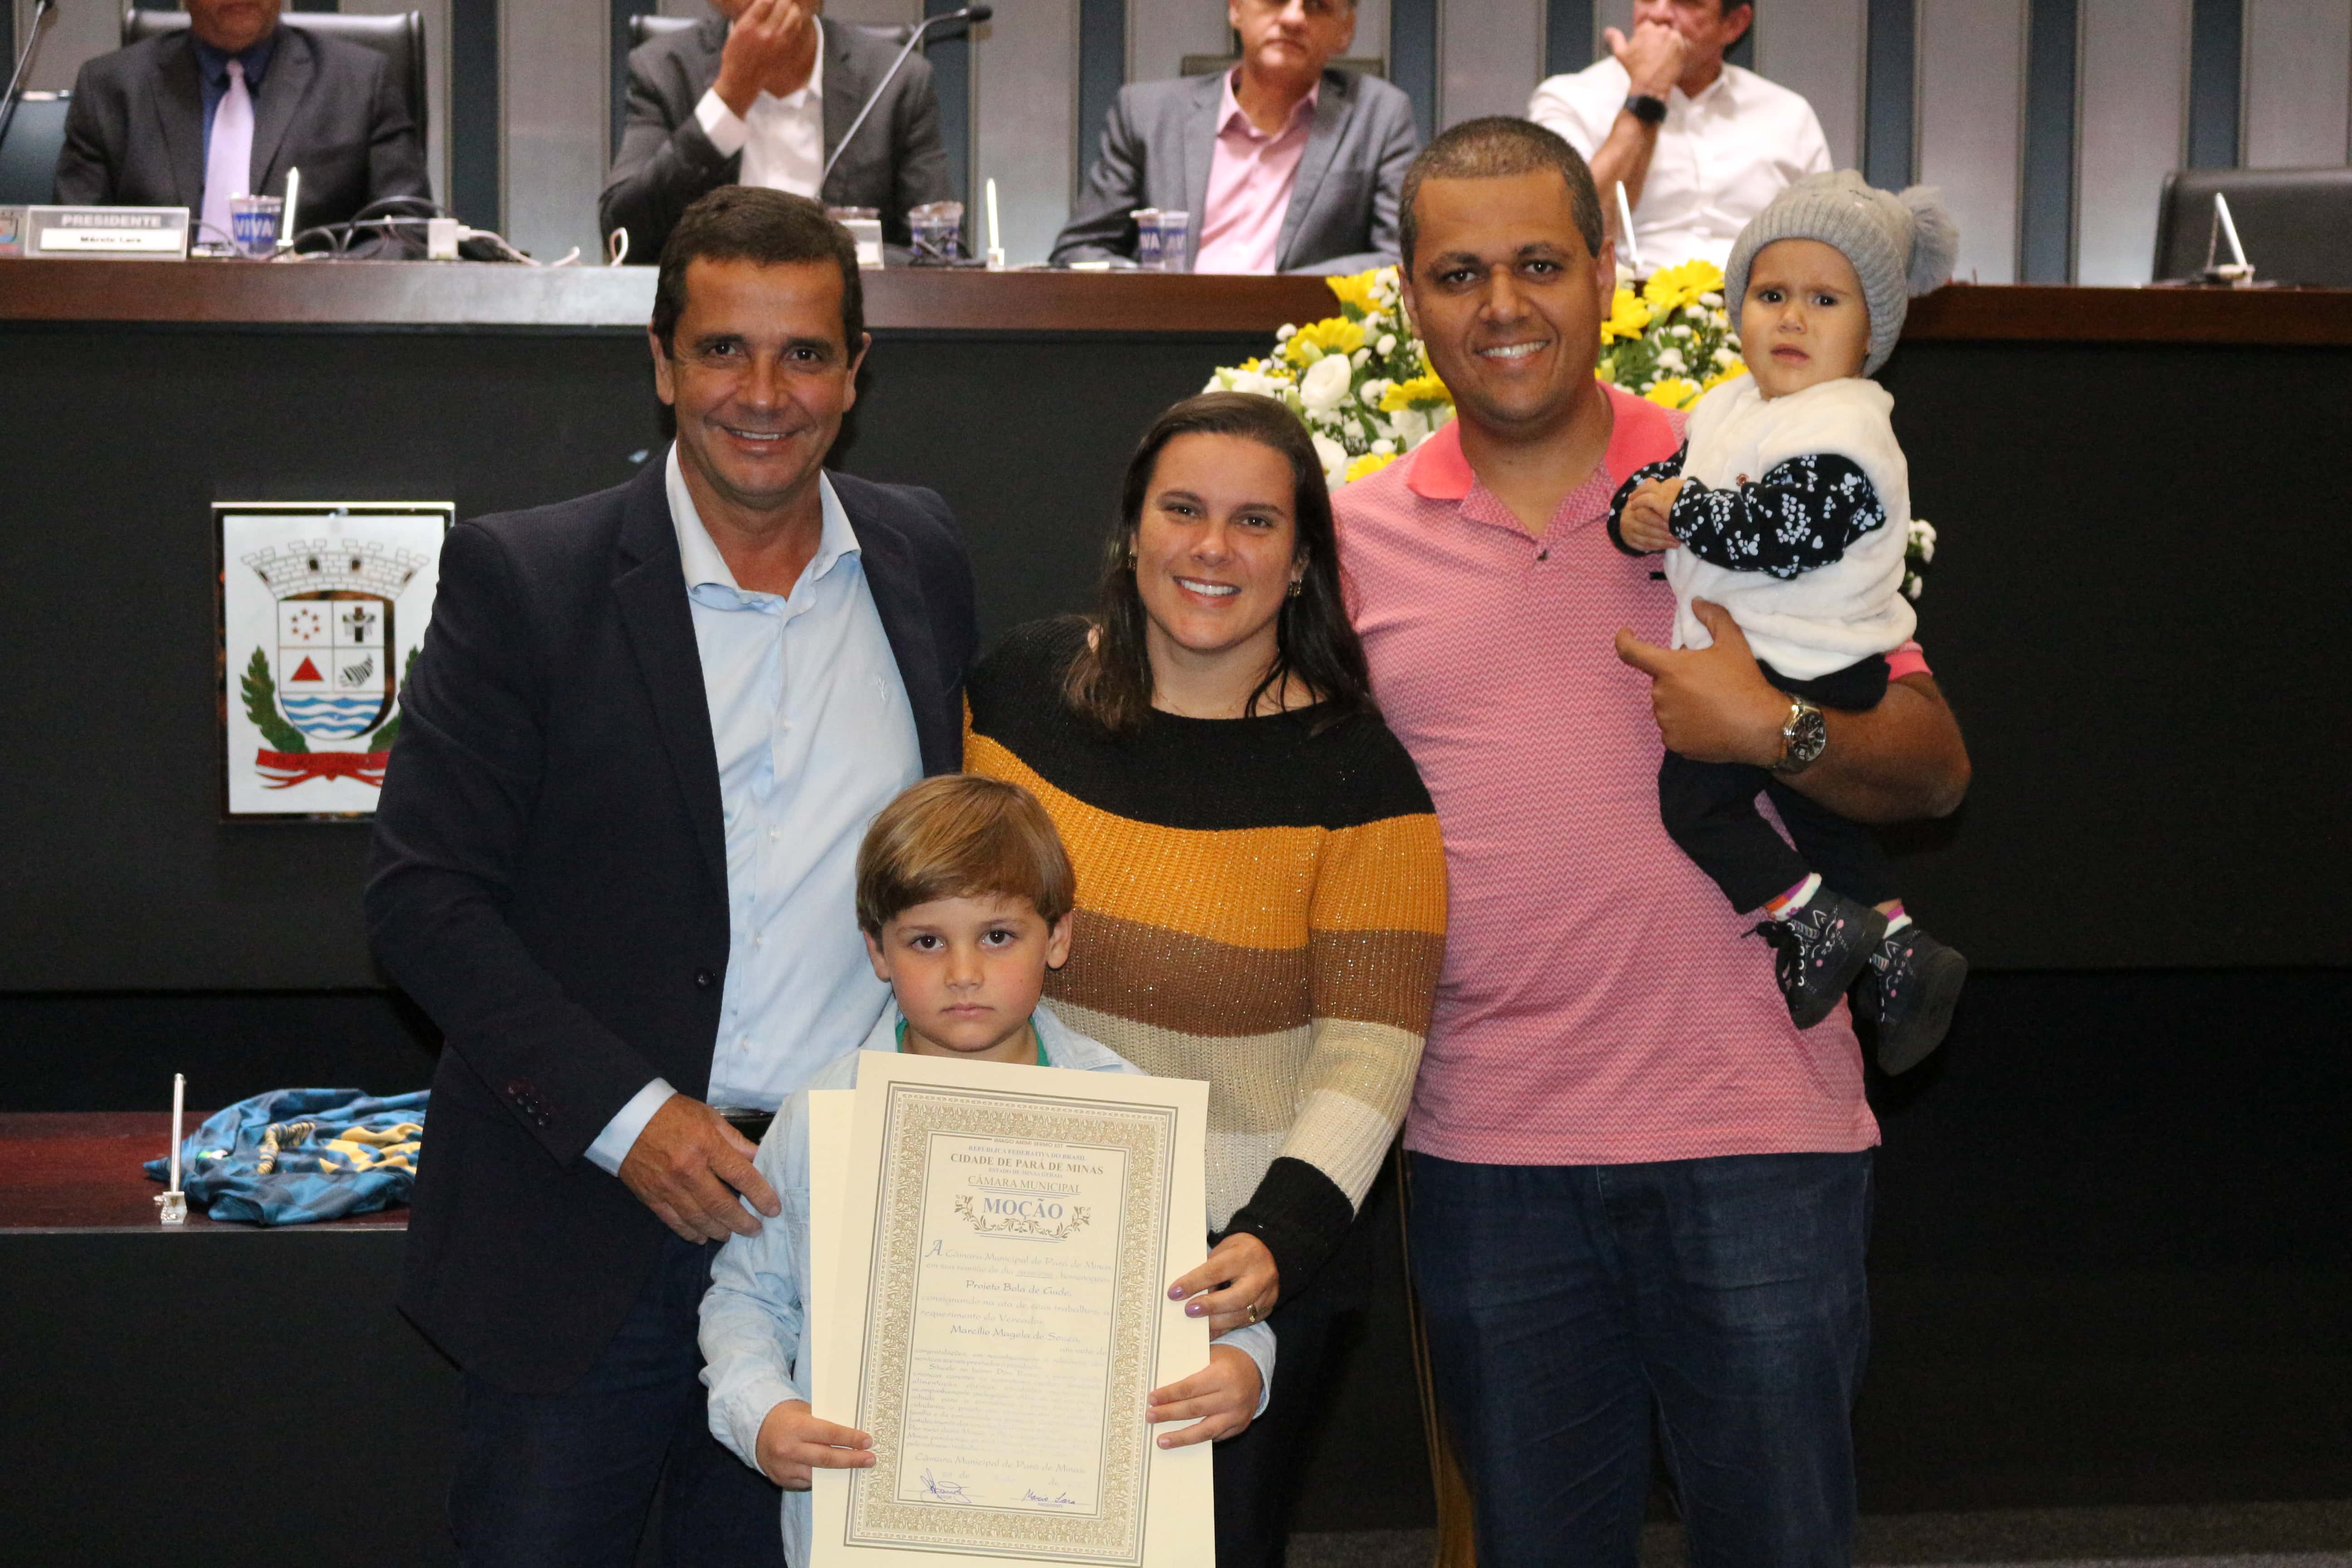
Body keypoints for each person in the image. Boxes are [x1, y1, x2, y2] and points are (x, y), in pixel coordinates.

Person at [1333, 119, 1970, 1564]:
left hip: (1759, 1137)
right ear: (1409, 297)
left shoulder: (1739, 469)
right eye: (1460, 273)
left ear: (1607, 273)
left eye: (1542, 264)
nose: (1503, 305)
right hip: (1492, 1157)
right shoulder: (1354, 540)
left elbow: (1936, 770)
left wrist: (1777, 733)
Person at [364, 186, 976, 1568]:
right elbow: (421, 898)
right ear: (660, 362)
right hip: (585, 1226)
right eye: (721, 350)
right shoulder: (528, 577)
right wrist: (630, 1120)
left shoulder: (922, 556)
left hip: (828, 1231)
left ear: (856, 372)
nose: (763, 393)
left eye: (804, 352)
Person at [962, 391, 1446, 1568]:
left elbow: (1373, 1050)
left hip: (1237, 1270)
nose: (1213, 548)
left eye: (1255, 522)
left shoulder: (1363, 781)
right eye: (1182, 510)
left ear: (1304, 560)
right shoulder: (1013, 697)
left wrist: (1279, 1239)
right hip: (1013, 1236)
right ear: (1133, 532)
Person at [700, 773, 1277, 1565]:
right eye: (926, 941)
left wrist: (1243, 1367)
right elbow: (747, 1296)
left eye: (998, 936)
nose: (963, 971)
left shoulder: (1129, 1111)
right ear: (876, 950)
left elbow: (1208, 1300)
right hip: (875, 1531)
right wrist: (761, 1412)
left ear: (1058, 938)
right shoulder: (825, 1115)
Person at [1608, 170, 1968, 1072]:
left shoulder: (1848, 429)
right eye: (1770, 296)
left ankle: (1808, 923)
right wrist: (1634, 514)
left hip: (1813, 657)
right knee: (1824, 822)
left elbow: (1780, 532)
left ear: (1872, 332)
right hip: (1779, 651)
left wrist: (1684, 511)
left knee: (1695, 803)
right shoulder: (1732, 406)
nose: (1792, 319)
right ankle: (1899, 950)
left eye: (1824, 300)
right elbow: (1673, 480)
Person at [1050, 0, 1419, 274]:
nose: (1293, 18)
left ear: (1346, 30)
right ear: (1236, 8)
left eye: (1317, 5)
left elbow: (1399, 260)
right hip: (1168, 335)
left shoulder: (1379, 117)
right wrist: (1161, 290)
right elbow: (1080, 251)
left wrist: (1268, 295)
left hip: (1304, 341)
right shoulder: (1148, 115)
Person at [54, 0, 429, 252]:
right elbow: (70, 239)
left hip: (315, 330)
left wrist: (323, 280)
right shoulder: (110, 90)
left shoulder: (361, 83)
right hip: (152, 329)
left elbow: (408, 232)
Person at [602, 0, 951, 261]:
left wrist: (831, 260)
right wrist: (729, 99)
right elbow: (623, 235)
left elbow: (940, 251)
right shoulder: (664, 70)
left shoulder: (896, 80)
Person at [1528, 0, 1829, 270]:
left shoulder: (1789, 113)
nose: (1658, 14)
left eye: (1686, 3)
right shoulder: (1570, 99)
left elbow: (1824, 245)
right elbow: (1567, 234)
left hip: (1754, 306)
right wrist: (1646, 94)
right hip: (1625, 304)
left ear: (1734, 24)